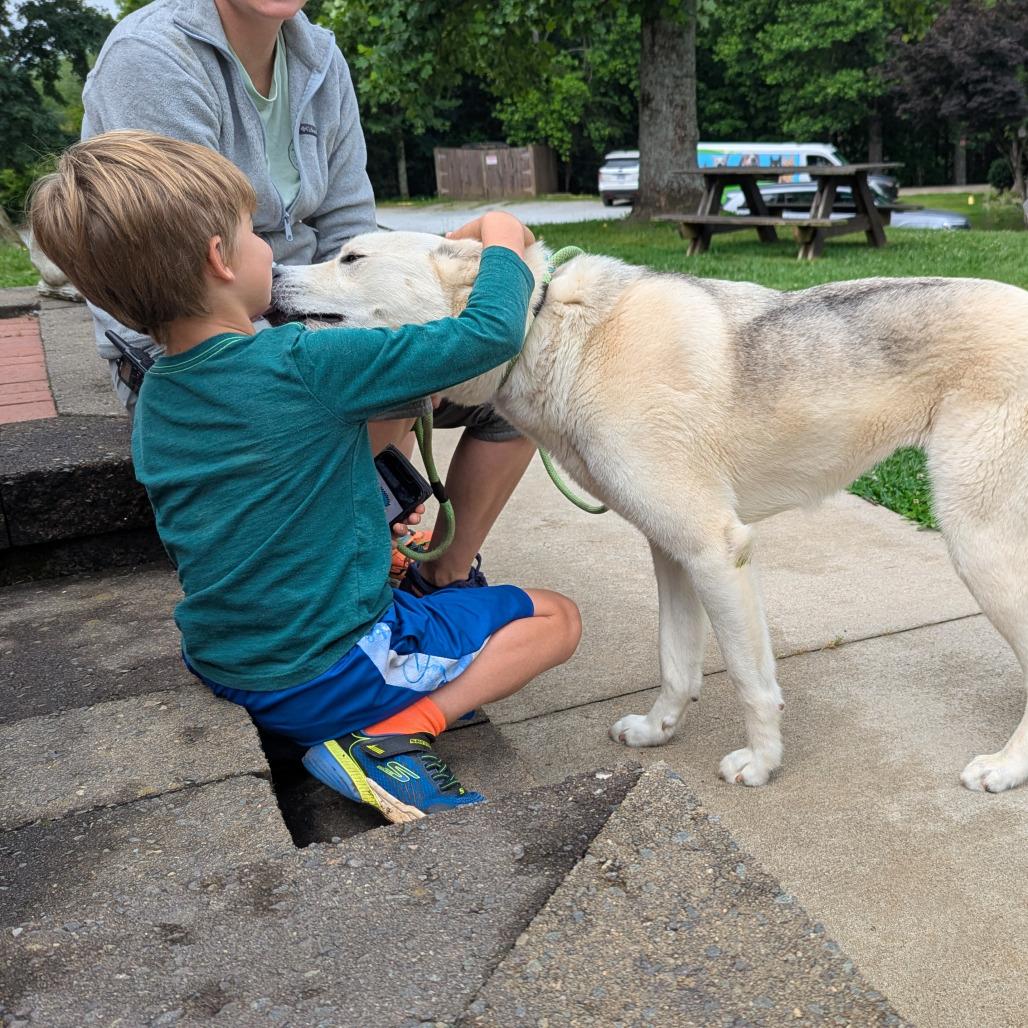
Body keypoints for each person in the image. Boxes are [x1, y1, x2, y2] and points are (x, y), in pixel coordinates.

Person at [30, 131, 581, 821]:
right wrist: (502, 237)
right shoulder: (306, 364)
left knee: (411, 587)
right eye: (256, 232)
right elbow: (488, 335)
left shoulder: (160, 398)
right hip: (326, 669)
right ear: (220, 259)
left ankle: (361, 707)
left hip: (227, 662)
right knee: (555, 619)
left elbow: (242, 522)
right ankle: (391, 736)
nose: (272, 249)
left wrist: (368, 544)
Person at [80, 0, 538, 592]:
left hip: (303, 316)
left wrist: (393, 332)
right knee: (411, 380)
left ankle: (439, 572)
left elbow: (351, 226)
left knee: (515, 384)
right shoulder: (150, 59)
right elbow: (180, 273)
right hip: (203, 344)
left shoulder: (319, 57)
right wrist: (499, 240)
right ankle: (350, 551)